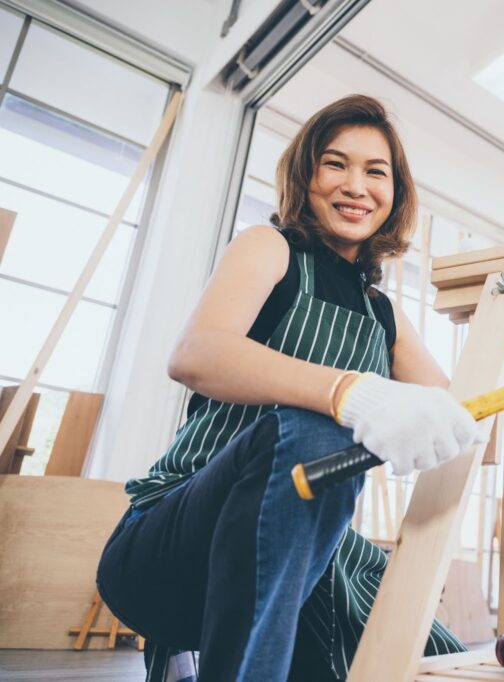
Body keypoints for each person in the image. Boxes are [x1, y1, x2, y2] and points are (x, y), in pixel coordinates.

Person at [96, 95, 480, 682]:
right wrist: (348, 392)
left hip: (315, 554)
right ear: (306, 176)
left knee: (434, 656)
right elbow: (195, 354)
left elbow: (458, 421)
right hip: (177, 544)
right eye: (336, 164)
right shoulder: (269, 248)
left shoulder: (385, 316)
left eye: (376, 172)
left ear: (395, 194)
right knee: (314, 436)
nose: (356, 185)